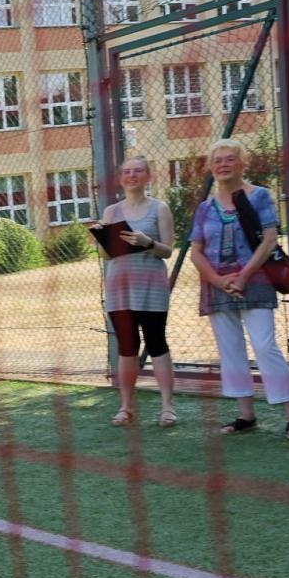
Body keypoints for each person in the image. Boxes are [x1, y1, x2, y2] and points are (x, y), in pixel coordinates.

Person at [188, 138, 289, 439]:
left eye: (230, 159)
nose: (223, 164)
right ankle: (245, 414)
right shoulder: (205, 207)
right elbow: (196, 250)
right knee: (230, 350)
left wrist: (243, 276)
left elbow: (269, 239)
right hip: (218, 285)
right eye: (217, 160)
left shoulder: (259, 197)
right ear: (210, 167)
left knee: (265, 346)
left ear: (243, 164)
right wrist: (217, 280)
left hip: (254, 281)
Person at [93, 156, 179, 428]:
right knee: (127, 348)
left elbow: (167, 250)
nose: (132, 175)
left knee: (157, 343)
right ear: (120, 179)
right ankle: (126, 407)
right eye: (127, 172)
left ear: (148, 176)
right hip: (120, 288)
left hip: (152, 287)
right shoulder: (111, 212)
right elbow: (106, 256)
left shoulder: (159, 208)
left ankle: (168, 408)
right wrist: (99, 238)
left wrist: (148, 242)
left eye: (138, 171)